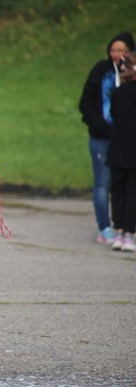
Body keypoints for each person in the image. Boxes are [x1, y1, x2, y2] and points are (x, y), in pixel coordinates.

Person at [79, 32, 135, 244]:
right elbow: (86, 103)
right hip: (102, 137)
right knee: (104, 183)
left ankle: (127, 229)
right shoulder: (101, 72)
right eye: (113, 50)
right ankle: (107, 227)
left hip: (128, 140)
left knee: (127, 185)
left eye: (121, 50)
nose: (116, 54)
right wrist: (98, 125)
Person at [107, 51, 136, 252]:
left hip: (118, 149)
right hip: (132, 150)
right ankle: (129, 233)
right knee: (132, 192)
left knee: (118, 191)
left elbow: (113, 114)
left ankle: (119, 230)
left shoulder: (118, 93)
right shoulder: (119, 92)